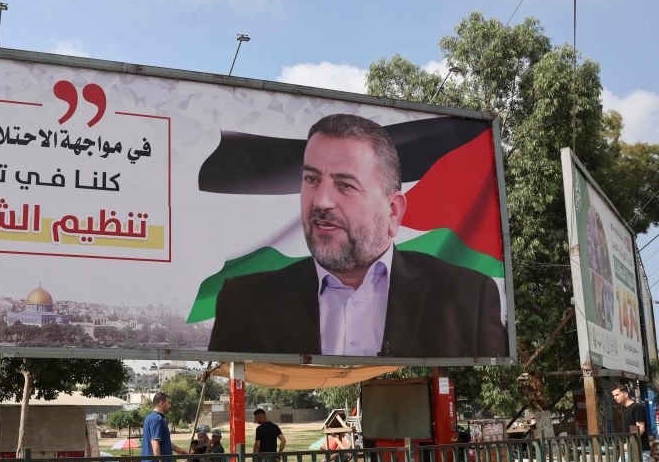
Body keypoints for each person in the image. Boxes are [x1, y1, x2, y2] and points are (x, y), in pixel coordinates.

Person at [208, 113, 508, 358]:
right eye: (312, 179)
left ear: (393, 211)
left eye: (345, 185)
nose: (322, 201)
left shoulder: (467, 298)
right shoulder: (245, 302)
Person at [606, 385, 659, 462]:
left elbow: (641, 428)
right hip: (629, 448)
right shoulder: (624, 410)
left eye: (617, 395)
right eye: (613, 395)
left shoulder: (636, 408)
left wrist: (629, 442)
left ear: (626, 394)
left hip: (640, 448)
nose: (615, 398)